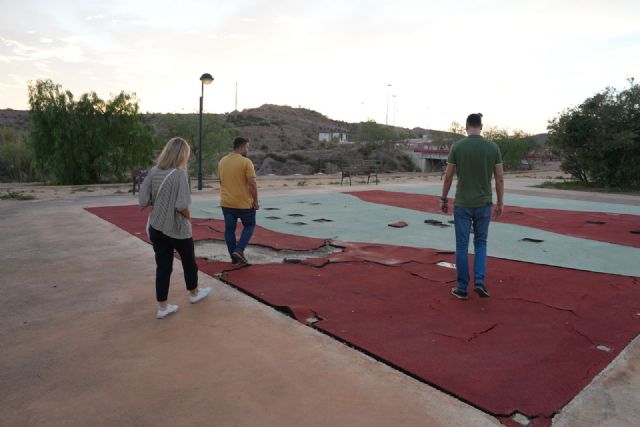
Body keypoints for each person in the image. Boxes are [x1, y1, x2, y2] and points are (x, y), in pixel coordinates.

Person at [139, 137, 211, 319]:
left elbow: (143, 199)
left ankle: (163, 308)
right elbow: (182, 204)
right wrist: (189, 217)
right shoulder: (180, 174)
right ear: (182, 154)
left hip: (157, 226)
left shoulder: (153, 171)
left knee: (163, 267)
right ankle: (194, 294)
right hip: (177, 227)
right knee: (188, 261)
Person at [440, 113, 504, 300]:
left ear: (466, 127)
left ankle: (461, 288)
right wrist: (500, 202)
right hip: (484, 204)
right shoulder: (493, 147)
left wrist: (443, 198)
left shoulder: (457, 147)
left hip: (462, 204)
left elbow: (449, 176)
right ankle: (479, 282)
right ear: (481, 126)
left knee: (461, 246)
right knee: (481, 243)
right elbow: (499, 178)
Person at [218, 137, 259, 265]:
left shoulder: (222, 161)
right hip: (244, 204)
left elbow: (221, 181)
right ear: (241, 147)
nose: (248, 149)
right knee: (250, 225)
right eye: (247, 147)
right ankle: (239, 250)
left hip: (227, 203)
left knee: (229, 230)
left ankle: (234, 258)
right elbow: (252, 184)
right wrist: (256, 201)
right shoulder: (246, 162)